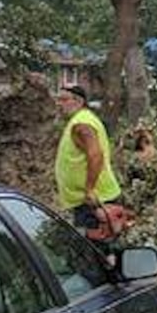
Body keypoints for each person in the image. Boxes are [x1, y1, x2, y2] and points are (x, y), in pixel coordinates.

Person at [54, 85, 123, 237]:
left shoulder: (82, 124)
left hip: (94, 200)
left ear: (79, 101)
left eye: (64, 99)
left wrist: (90, 189)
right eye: (58, 100)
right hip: (87, 200)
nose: (59, 104)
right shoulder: (81, 120)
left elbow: (96, 155)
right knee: (96, 248)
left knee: (93, 250)